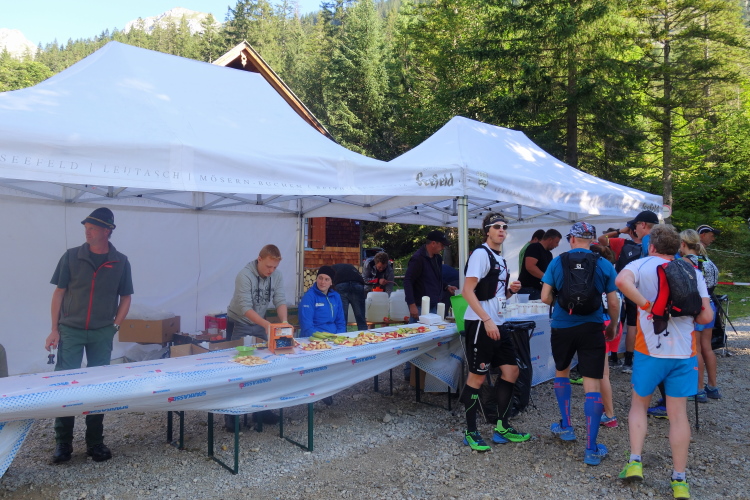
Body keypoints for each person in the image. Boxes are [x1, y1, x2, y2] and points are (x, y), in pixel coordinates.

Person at [615, 224, 712, 499]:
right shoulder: (691, 271)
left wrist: (647, 305)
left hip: (650, 349)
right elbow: (706, 317)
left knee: (639, 405)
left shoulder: (640, 264)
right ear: (679, 247)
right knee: (678, 415)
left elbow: (621, 281)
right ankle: (679, 480)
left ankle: (635, 461)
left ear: (652, 246)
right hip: (683, 352)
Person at [45, 207, 133, 464]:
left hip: (101, 333)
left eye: (93, 228)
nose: (87, 232)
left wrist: (114, 327)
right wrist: (54, 329)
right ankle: (63, 442)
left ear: (107, 230)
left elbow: (126, 297)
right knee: (65, 385)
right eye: (86, 227)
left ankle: (95, 442)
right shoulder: (71, 256)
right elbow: (59, 293)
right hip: (70, 330)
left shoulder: (120, 261)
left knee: (98, 387)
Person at [540, 222, 620, 466]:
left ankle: (566, 426)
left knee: (562, 371)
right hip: (592, 327)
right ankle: (591, 448)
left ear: (572, 239)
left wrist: (562, 303)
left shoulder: (557, 261)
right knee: (591, 382)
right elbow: (613, 302)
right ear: (592, 239)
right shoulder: (604, 264)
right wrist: (613, 325)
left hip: (562, 326)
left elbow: (544, 297)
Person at [459, 213, 529, 451]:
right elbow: (467, 291)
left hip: (498, 322)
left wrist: (510, 291)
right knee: (477, 377)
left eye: (504, 227)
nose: (501, 230)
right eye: (496, 226)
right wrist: (487, 320)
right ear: (487, 230)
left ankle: (502, 426)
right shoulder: (480, 254)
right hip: (481, 323)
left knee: (511, 371)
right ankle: (471, 432)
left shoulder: (500, 258)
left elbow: (494, 294)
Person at [226, 244, 288, 428]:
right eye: (268, 266)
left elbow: (280, 300)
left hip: (261, 322)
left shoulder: (276, 275)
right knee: (237, 368)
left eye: (275, 267)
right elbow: (245, 308)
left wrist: (284, 322)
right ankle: (231, 414)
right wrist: (267, 325)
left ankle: (261, 410)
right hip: (239, 322)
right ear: (259, 259)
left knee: (265, 365)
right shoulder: (244, 276)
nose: (271, 270)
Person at [682, 229, 721, 402]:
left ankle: (698, 389)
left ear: (684, 243)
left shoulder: (686, 261)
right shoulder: (707, 261)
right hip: (710, 305)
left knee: (696, 348)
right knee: (707, 347)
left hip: (697, 307)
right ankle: (712, 386)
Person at [403, 230, 457, 321]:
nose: (443, 248)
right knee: (417, 329)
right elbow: (407, 281)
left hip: (433, 304)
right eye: (442, 245)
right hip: (420, 305)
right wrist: (412, 304)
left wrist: (446, 286)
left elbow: (436, 278)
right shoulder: (418, 259)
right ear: (433, 243)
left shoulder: (437, 258)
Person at [299, 266, 347, 337]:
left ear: (331, 282)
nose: (322, 282)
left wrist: (339, 336)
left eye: (326, 279)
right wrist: (323, 338)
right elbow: (306, 326)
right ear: (316, 279)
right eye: (320, 278)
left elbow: (340, 322)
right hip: (314, 338)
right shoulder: (309, 297)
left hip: (334, 337)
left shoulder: (335, 296)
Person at [518, 229, 562, 300]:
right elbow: (530, 267)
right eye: (556, 242)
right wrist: (546, 278)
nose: (557, 245)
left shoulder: (549, 254)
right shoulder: (534, 247)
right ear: (550, 239)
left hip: (540, 290)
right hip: (529, 289)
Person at [331, 263, 367, 330]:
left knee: (342, 319)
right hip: (357, 284)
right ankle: (364, 334)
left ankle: (342, 335)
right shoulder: (351, 267)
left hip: (341, 284)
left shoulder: (330, 270)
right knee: (360, 318)